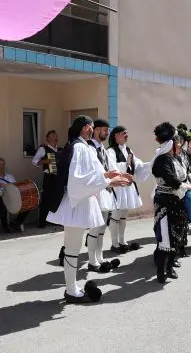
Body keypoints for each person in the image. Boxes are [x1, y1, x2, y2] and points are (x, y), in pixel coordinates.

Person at [47, 116, 130, 303]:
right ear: (86, 128)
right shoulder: (79, 147)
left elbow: (88, 174)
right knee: (72, 248)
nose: (93, 130)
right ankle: (71, 291)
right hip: (76, 203)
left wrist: (107, 175)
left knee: (73, 247)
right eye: (92, 127)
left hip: (79, 201)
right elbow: (77, 179)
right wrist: (109, 181)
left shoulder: (81, 146)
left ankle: (72, 288)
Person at [151, 122, 189, 283]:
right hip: (165, 203)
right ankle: (161, 271)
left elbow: (184, 175)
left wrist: (190, 184)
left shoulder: (175, 158)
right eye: (176, 142)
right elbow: (170, 178)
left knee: (176, 235)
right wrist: (183, 186)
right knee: (165, 238)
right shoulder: (162, 159)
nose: (179, 144)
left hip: (177, 201)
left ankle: (170, 266)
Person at [107, 126, 150, 254]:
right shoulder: (111, 151)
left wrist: (151, 164)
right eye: (124, 133)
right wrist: (126, 164)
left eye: (127, 133)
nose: (126, 135)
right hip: (118, 186)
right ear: (116, 136)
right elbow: (111, 168)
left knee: (123, 216)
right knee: (116, 215)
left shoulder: (128, 150)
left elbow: (138, 165)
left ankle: (122, 241)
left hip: (127, 186)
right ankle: (114, 243)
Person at [86, 119, 120, 272]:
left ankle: (99, 258)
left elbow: (110, 168)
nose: (107, 133)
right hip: (95, 192)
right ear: (97, 130)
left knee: (101, 229)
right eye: (105, 130)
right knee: (94, 229)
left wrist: (121, 177)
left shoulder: (103, 149)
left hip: (106, 191)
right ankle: (92, 261)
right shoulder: (90, 147)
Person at [32, 130, 61, 228]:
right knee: (46, 199)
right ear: (48, 138)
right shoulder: (43, 149)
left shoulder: (60, 150)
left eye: (56, 135)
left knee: (57, 198)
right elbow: (34, 162)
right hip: (49, 177)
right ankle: (42, 222)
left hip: (59, 177)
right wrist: (45, 161)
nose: (55, 137)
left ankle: (54, 220)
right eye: (52, 136)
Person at [0, 158, 30, 233]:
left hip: (13, 197)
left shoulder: (10, 177)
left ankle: (17, 222)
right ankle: (5, 226)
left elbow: (16, 188)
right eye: (0, 164)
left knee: (28, 203)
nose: (1, 166)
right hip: (2, 197)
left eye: (3, 164)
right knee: (2, 205)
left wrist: (7, 186)